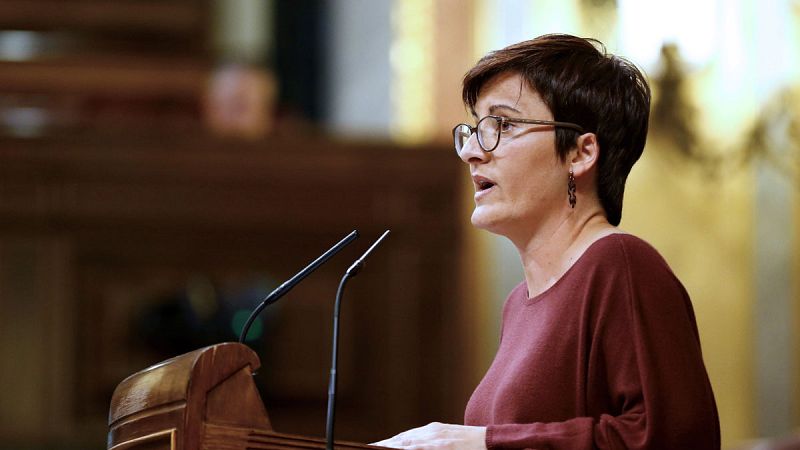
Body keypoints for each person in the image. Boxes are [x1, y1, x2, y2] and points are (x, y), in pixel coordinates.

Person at [373, 34, 720, 449]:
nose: (470, 151)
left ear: (580, 154)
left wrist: (484, 442)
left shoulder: (621, 265)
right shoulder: (516, 304)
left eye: (503, 125)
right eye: (475, 128)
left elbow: (672, 437)